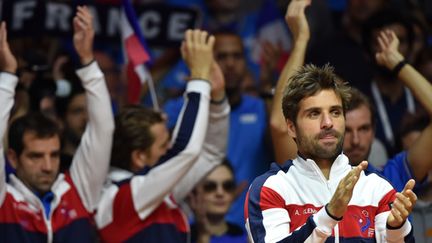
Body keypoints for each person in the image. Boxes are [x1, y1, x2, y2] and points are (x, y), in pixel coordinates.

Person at [245, 61, 417, 241]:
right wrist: (329, 214)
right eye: (314, 113)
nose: (328, 122)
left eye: (335, 112)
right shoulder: (271, 189)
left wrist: (396, 229)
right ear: (291, 127)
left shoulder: (377, 188)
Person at [94, 29, 230, 242]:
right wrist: (199, 80)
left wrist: (217, 98)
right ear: (139, 156)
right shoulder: (122, 197)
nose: (170, 150)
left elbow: (210, 152)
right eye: (164, 145)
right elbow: (186, 151)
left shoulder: (156, 189)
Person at [0, 6, 114, 242]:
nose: (48, 166)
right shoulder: (5, 201)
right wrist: (9, 76)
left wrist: (87, 62)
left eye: (53, 154)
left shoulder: (78, 191)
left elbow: (104, 129)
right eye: (35, 156)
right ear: (12, 158)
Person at [164, 30, 272, 228]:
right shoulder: (180, 109)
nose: (230, 64)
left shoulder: (262, 109)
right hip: (190, 225)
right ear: (207, 62)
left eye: (237, 56)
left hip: (250, 228)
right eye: (221, 57)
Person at [344, 29, 432, 192]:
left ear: (374, 131)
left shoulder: (394, 175)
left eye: (364, 128)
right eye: (347, 130)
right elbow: (280, 127)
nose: (355, 140)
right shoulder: (315, 183)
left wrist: (397, 63)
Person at [189, 160, 248, 243]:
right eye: (210, 186)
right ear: (194, 192)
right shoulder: (181, 234)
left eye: (227, 186)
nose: (220, 193)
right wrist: (203, 235)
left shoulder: (245, 236)